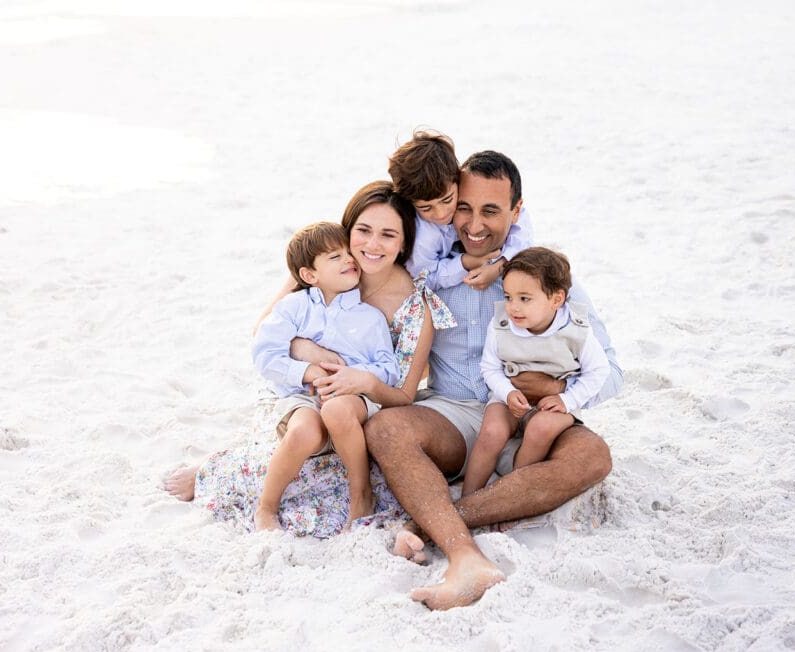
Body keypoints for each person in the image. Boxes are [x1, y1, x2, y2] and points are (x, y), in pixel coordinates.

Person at [365, 150, 623, 610]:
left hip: (533, 418)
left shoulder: (543, 277)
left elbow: (612, 373)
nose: (474, 224)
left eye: (491, 210)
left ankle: (435, 523)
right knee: (386, 429)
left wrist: (552, 392)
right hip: (455, 412)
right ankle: (465, 555)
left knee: (593, 457)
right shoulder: (431, 270)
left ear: (517, 212)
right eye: (464, 207)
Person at [161, 181, 456, 536]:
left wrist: (358, 380)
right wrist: (309, 355)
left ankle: (335, 487)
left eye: (388, 235)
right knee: (297, 438)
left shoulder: (412, 304)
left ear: (403, 243)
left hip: (362, 406)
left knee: (327, 461)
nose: (371, 245)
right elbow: (265, 335)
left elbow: (402, 392)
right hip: (298, 388)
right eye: (362, 231)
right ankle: (226, 467)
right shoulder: (319, 269)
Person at [252, 221, 399, 530]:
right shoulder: (294, 307)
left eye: (348, 253)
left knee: (336, 408)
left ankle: (360, 493)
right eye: (335, 257)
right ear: (309, 275)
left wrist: (353, 376)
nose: (349, 259)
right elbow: (265, 355)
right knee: (304, 431)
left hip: (352, 400)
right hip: (302, 396)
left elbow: (389, 370)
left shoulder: (370, 317)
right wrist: (306, 371)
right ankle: (266, 507)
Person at [460, 247, 610, 497]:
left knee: (540, 429)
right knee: (492, 432)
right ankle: (469, 496)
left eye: (524, 298)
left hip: (555, 403)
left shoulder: (576, 330)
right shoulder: (501, 325)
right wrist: (507, 393)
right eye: (508, 297)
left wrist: (566, 400)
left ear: (556, 299)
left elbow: (598, 371)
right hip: (509, 396)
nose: (513, 307)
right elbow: (490, 367)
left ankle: (513, 495)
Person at [388, 129, 533, 291]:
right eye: (426, 207)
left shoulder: (467, 187)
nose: (441, 214)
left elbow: (521, 229)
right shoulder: (423, 237)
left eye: (448, 200)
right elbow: (423, 279)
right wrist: (466, 262)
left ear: (456, 178)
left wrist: (500, 265)